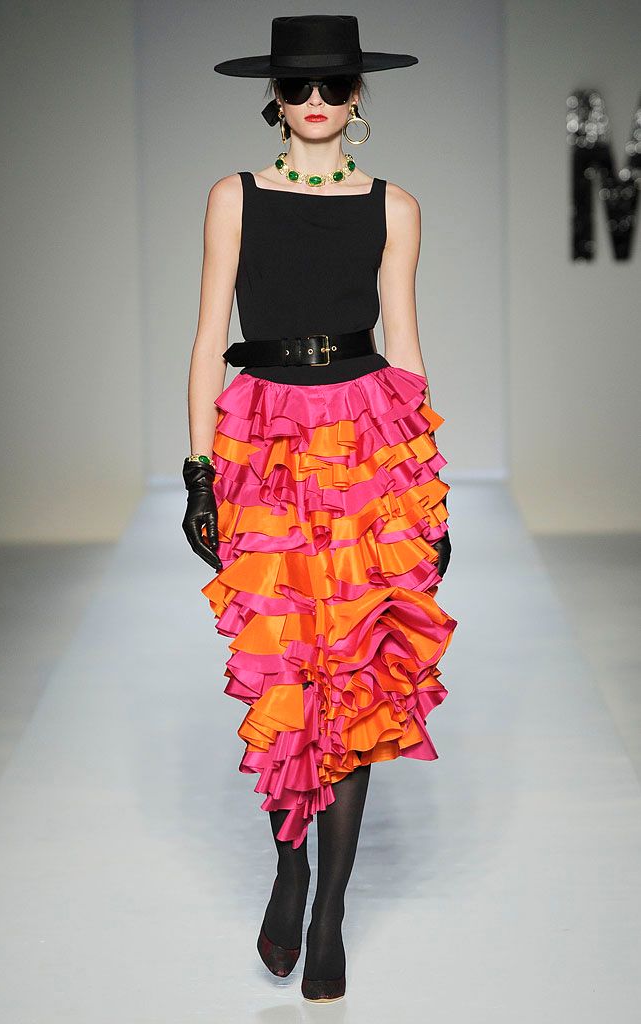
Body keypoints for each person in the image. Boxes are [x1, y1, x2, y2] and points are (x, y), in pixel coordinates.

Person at [182, 14, 458, 1003]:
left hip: (364, 445)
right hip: (264, 443)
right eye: (298, 85)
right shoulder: (233, 196)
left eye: (333, 84)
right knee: (284, 673)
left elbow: (406, 344)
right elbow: (208, 335)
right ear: (272, 95)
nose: (314, 100)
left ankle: (329, 910)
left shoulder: (394, 206)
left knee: (354, 680)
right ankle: (289, 866)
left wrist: (427, 493)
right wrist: (198, 472)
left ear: (356, 95)